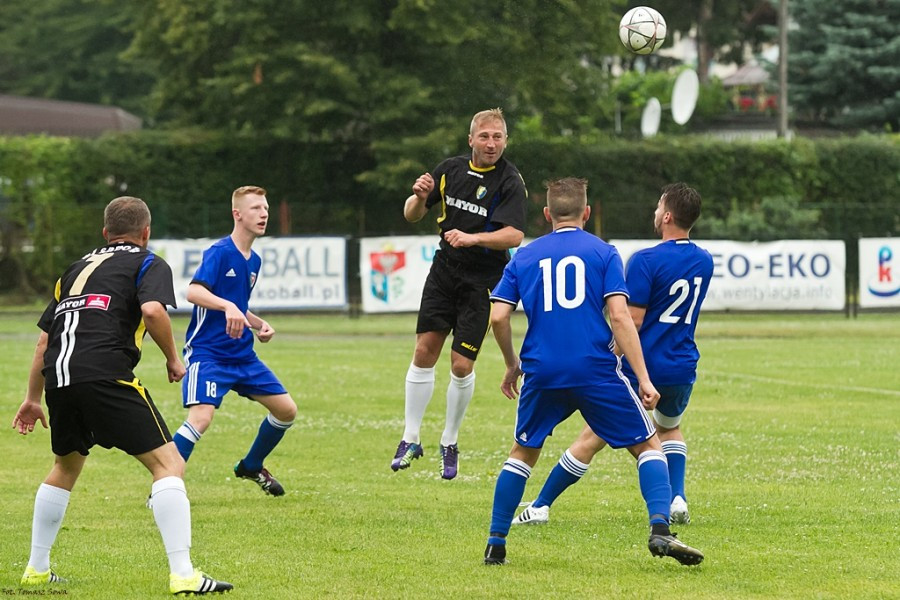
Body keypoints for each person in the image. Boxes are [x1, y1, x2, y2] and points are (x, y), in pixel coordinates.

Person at [11, 196, 232, 595]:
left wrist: (32, 398)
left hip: (60, 380)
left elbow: (44, 341)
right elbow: (152, 311)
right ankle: (184, 574)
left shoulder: (74, 270)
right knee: (169, 464)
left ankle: (36, 569)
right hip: (106, 375)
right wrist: (172, 359)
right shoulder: (148, 262)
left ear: (104, 233)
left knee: (65, 466)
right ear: (146, 233)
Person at [483, 178, 703, 567]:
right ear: (586, 213)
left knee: (522, 453)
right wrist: (644, 379)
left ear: (548, 214)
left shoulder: (524, 256)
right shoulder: (604, 253)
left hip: (543, 370)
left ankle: (496, 541)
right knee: (648, 445)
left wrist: (511, 362)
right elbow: (620, 316)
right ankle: (660, 530)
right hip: (595, 369)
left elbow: (499, 315)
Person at [390, 108, 528, 480]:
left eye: (498, 137)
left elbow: (514, 235)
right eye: (484, 136)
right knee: (423, 350)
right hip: (445, 270)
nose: (491, 143)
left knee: (461, 365)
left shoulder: (510, 180)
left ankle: (449, 441)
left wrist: (474, 238)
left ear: (505, 140)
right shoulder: (449, 169)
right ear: (471, 139)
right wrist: (418, 197)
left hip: (483, 280)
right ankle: (410, 438)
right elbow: (411, 214)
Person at [172, 185, 297, 496]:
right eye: (256, 208)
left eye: (265, 208)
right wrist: (228, 306)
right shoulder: (219, 252)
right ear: (237, 214)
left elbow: (237, 304)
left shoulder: (252, 260)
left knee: (286, 411)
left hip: (242, 356)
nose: (264, 213)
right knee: (201, 418)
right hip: (209, 355)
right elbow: (194, 292)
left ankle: (252, 465)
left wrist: (257, 324)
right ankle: (164, 487)